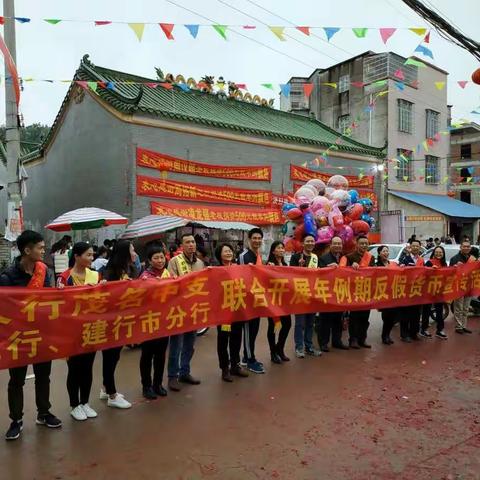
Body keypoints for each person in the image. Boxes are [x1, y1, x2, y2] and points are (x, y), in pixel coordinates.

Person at [0, 230, 62, 440]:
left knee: (43, 376)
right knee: (16, 380)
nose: (43, 251)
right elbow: (6, 309)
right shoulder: (8, 277)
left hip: (42, 333)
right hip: (18, 336)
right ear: (27, 250)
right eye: (40, 248)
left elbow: (50, 301)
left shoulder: (46, 272)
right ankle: (16, 420)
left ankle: (43, 413)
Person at [57, 242, 100, 421]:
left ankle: (85, 402)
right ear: (76, 256)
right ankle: (74, 405)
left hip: (91, 328)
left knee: (88, 367)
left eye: (92, 255)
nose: (91, 258)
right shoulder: (64, 278)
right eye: (88, 255)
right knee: (74, 369)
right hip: (72, 330)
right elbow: (59, 305)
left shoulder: (96, 275)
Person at [100, 240, 137, 409]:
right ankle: (112, 395)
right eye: (132, 250)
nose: (135, 253)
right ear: (124, 253)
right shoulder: (110, 273)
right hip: (110, 322)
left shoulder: (129, 270)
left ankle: (106, 388)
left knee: (114, 356)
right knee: (110, 356)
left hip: (123, 320)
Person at [167, 234, 205, 390]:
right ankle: (172, 376)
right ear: (182, 245)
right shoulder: (174, 262)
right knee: (176, 344)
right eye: (187, 242)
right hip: (179, 309)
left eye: (193, 242)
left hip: (194, 308)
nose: (191, 245)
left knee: (190, 343)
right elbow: (170, 283)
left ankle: (185, 371)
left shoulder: (200, 263)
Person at [138, 245, 171, 399]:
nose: (159, 261)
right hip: (149, 321)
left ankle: (158, 384)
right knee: (147, 355)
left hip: (164, 321)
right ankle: (146, 386)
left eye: (161, 257)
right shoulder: (144, 276)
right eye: (156, 258)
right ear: (150, 260)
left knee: (160, 354)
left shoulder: (168, 274)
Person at [215, 243, 249, 382]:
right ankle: (225, 368)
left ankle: (235, 364)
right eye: (225, 251)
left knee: (236, 338)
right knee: (223, 340)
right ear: (219, 254)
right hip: (223, 312)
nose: (229, 253)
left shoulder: (238, 268)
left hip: (237, 309)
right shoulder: (215, 270)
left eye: (230, 251)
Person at [339, 235, 375, 349]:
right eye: (362, 243)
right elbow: (342, 271)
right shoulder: (349, 257)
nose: (364, 245)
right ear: (357, 244)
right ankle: (353, 340)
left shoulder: (371, 257)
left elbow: (374, 273)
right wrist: (350, 267)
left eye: (366, 243)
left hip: (366, 291)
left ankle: (362, 339)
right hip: (354, 291)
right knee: (354, 317)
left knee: (365, 317)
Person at [238, 228, 266, 373]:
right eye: (254, 238)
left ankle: (246, 357)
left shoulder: (258, 255)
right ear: (249, 239)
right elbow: (243, 278)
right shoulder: (244, 256)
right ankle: (250, 360)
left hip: (257, 300)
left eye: (259, 238)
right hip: (247, 301)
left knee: (254, 330)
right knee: (249, 330)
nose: (257, 241)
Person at [290, 234, 322, 358]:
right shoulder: (296, 257)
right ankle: (299, 347)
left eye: (312, 241)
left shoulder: (315, 258)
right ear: (303, 243)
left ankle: (309, 346)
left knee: (310, 322)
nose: (310, 243)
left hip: (312, 294)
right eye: (307, 241)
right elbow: (290, 274)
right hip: (300, 294)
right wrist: (299, 266)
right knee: (300, 323)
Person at [317, 236, 349, 351]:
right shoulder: (323, 258)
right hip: (327, 293)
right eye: (335, 244)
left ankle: (337, 341)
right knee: (325, 319)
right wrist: (327, 268)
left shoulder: (344, 258)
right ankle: (323, 343)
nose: (337, 246)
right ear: (330, 245)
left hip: (339, 292)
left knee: (338, 319)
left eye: (339, 244)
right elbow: (318, 273)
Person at [266, 241, 292, 363]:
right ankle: (273, 352)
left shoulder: (286, 264)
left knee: (287, 325)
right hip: (272, 301)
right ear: (273, 251)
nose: (281, 250)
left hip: (284, 302)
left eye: (283, 248)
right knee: (274, 327)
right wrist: (268, 268)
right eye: (278, 248)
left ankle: (279, 348)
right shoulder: (269, 264)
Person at [398, 239, 425, 342]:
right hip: (406, 291)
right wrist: (401, 267)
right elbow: (399, 271)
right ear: (410, 247)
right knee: (405, 314)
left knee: (416, 314)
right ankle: (404, 335)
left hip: (417, 290)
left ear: (419, 247)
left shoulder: (422, 260)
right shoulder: (405, 258)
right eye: (413, 246)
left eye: (417, 246)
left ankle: (414, 333)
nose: (415, 248)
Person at [421, 246, 448, 340]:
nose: (438, 254)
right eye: (436, 252)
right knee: (426, 310)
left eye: (440, 252)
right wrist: (430, 269)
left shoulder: (444, 264)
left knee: (439, 310)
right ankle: (423, 329)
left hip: (439, 291)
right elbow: (423, 274)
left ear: (443, 254)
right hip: (428, 291)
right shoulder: (429, 262)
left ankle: (440, 330)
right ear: (433, 253)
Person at [450, 240, 476, 334]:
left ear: (470, 248)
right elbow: (450, 272)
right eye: (464, 246)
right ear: (460, 247)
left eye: (468, 246)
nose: (466, 248)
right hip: (459, 286)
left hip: (469, 286)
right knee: (458, 308)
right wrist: (456, 267)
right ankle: (458, 327)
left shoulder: (472, 258)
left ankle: (464, 326)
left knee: (466, 308)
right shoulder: (455, 258)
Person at [375, 245, 399, 345]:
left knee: (392, 317)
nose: (386, 253)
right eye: (383, 251)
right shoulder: (376, 265)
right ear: (379, 253)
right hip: (382, 294)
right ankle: (384, 336)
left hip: (392, 294)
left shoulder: (393, 264)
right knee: (386, 316)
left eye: (387, 251)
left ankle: (387, 335)